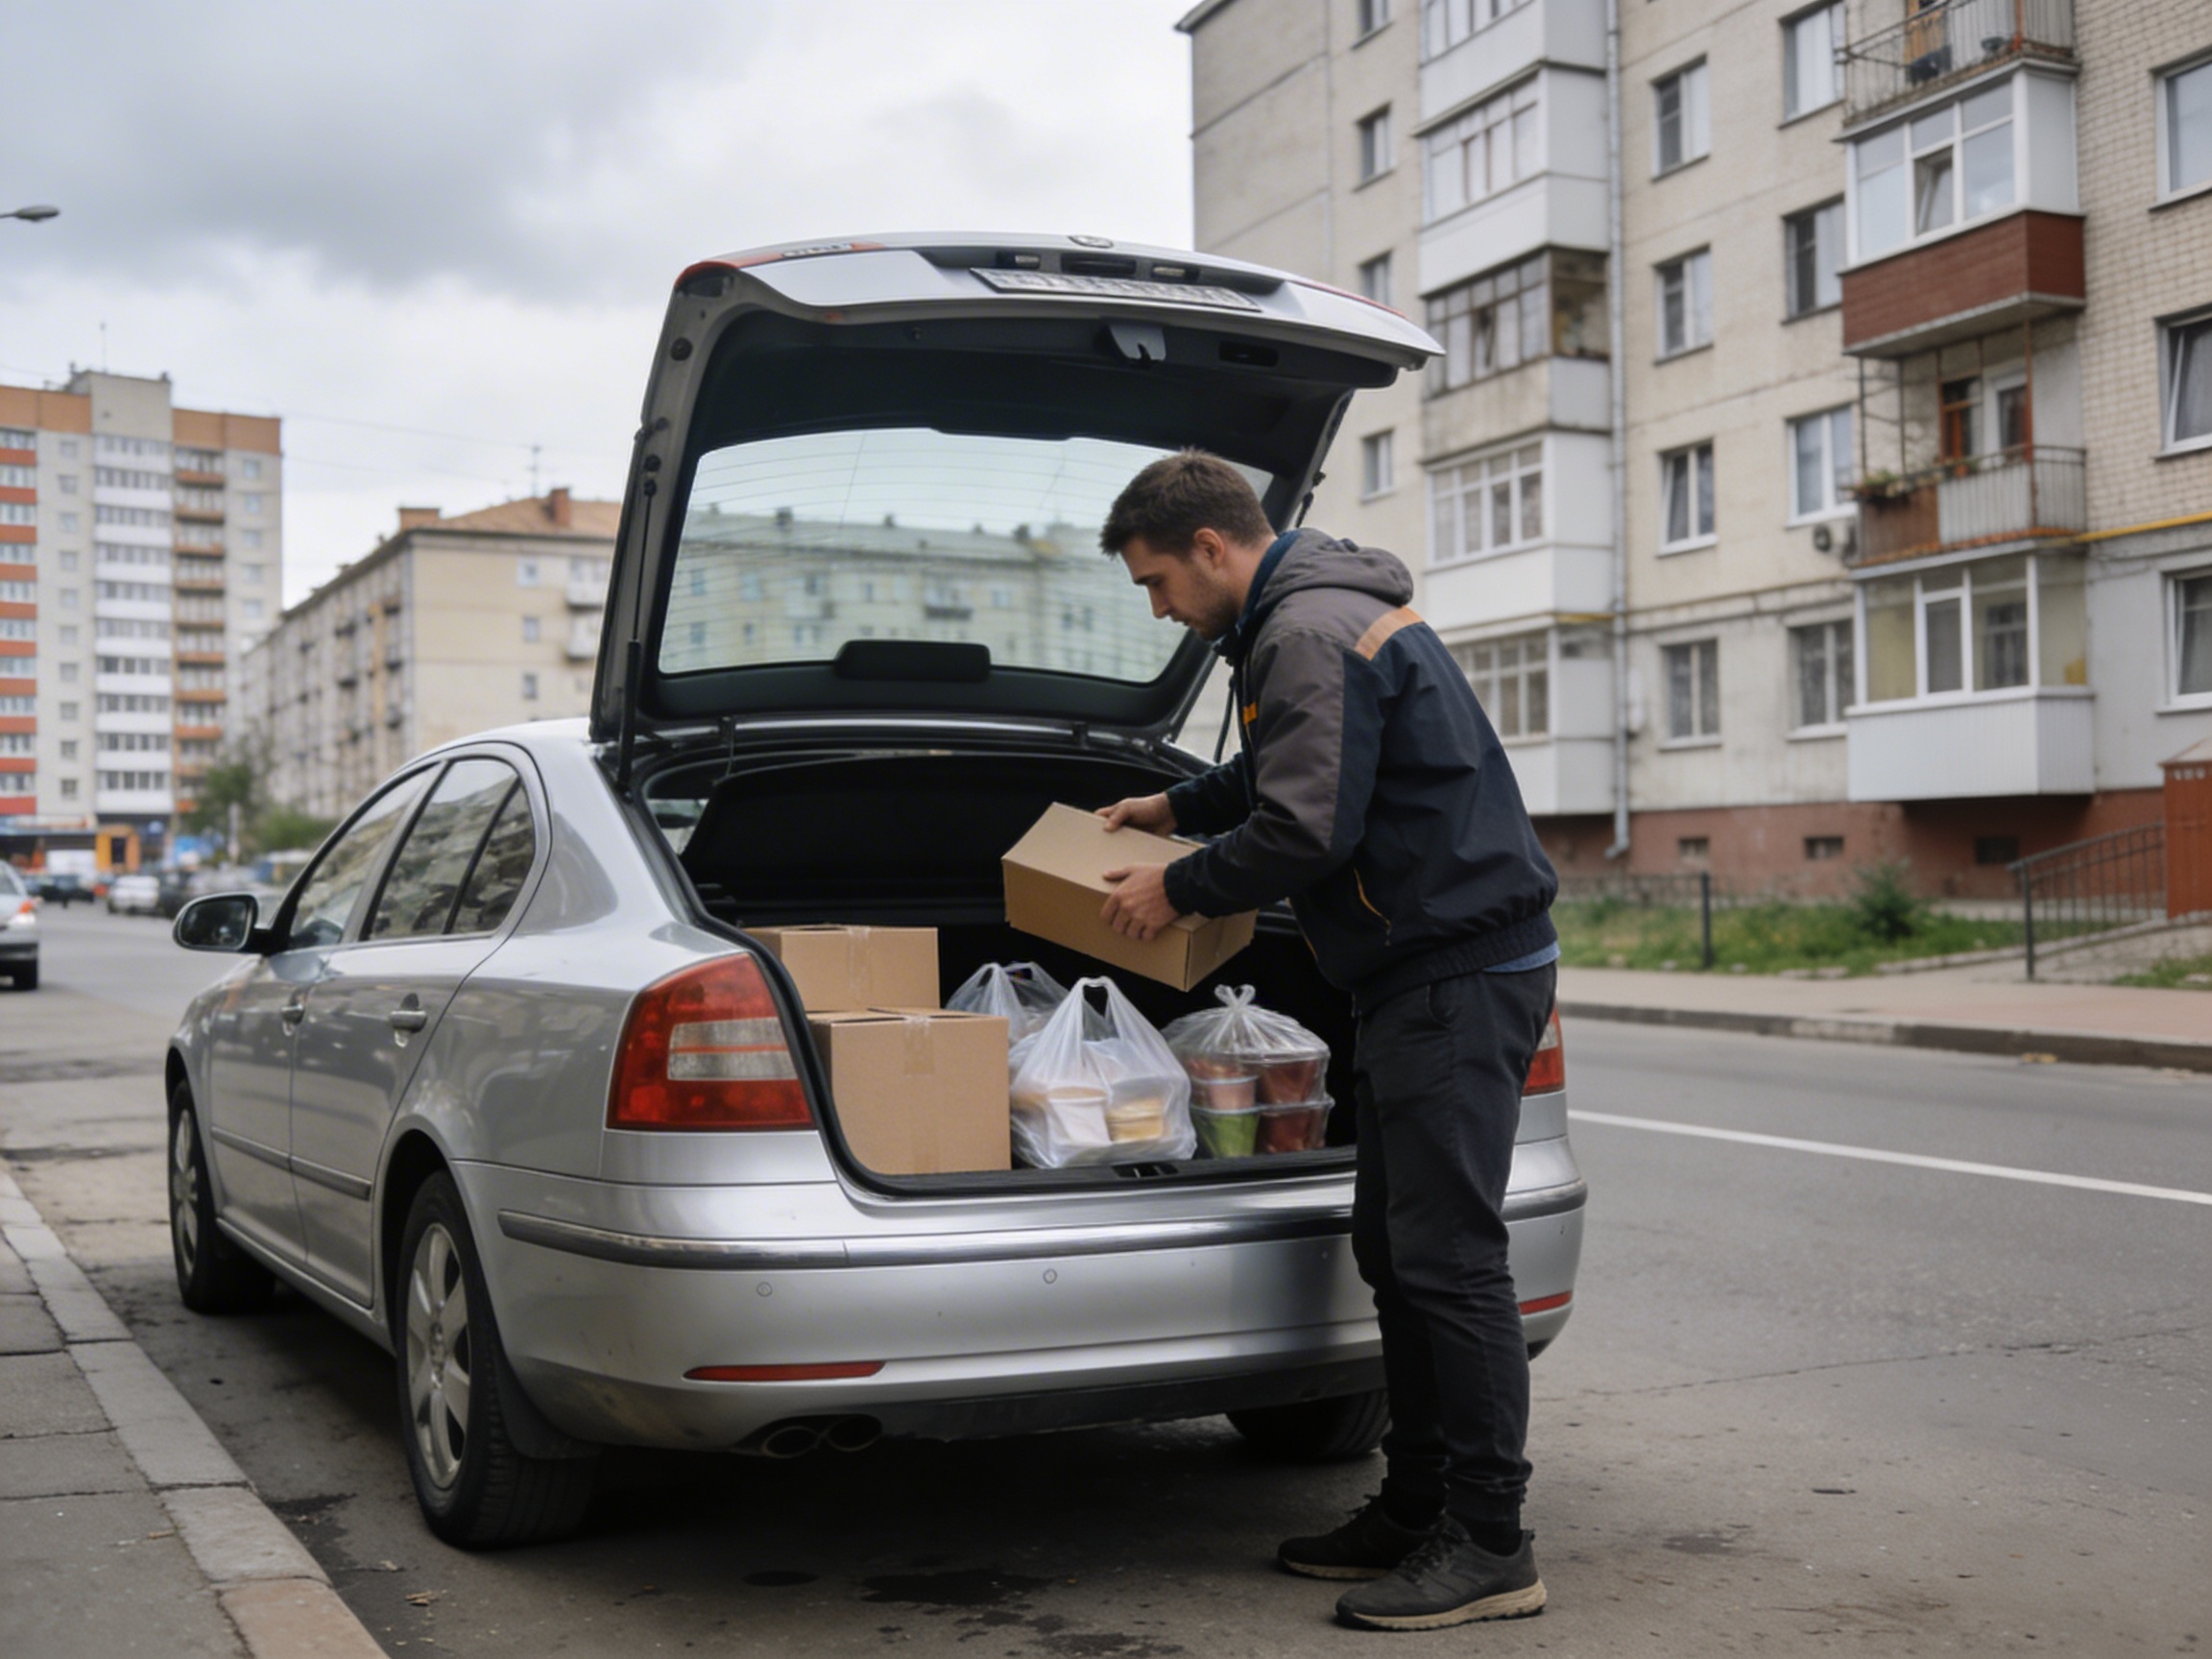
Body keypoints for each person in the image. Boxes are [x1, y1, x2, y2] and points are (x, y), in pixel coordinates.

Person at [1094, 450, 1559, 1633]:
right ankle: (1414, 1506)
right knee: (1398, 1251)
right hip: (1422, 970)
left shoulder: (1302, 629)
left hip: (1451, 974)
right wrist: (1181, 804)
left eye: (1156, 582)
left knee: (1448, 1260)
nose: (1158, 609)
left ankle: (1492, 1541)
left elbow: (1304, 822)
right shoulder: (1318, 618)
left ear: (1210, 548)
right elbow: (1309, 761)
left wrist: (1178, 887)